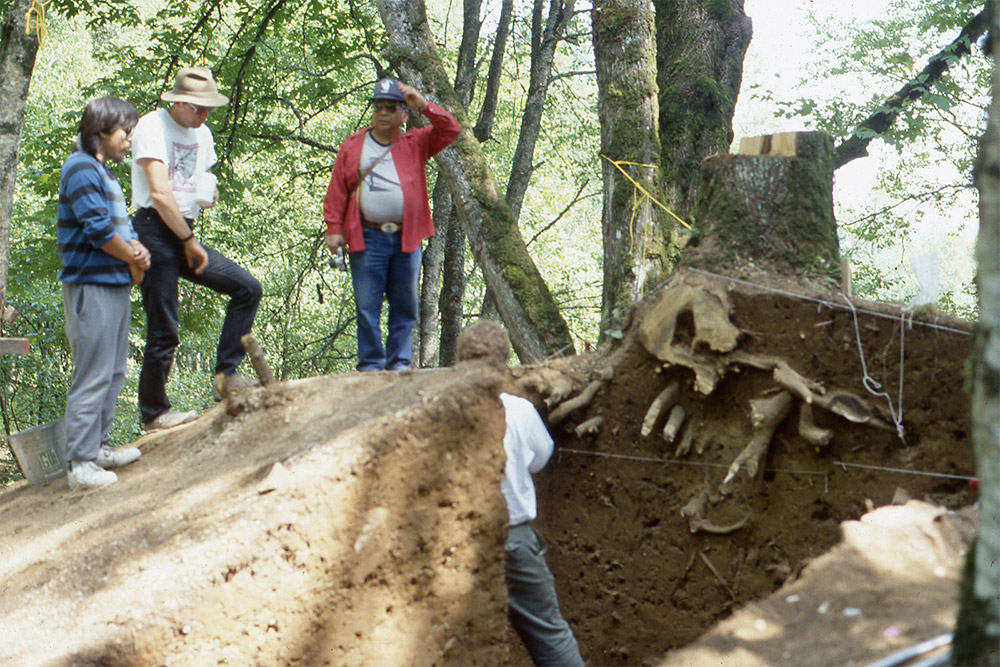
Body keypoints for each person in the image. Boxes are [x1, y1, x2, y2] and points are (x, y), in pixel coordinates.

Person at [131, 66, 262, 431]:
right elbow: (158, 192)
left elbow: (197, 181)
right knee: (165, 327)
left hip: (184, 230)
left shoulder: (202, 133)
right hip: (153, 230)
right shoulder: (151, 127)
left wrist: (209, 195)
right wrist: (189, 242)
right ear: (179, 103)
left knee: (247, 287)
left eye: (209, 109)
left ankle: (227, 376)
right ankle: (154, 412)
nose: (205, 116)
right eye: (199, 109)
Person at [457, 320, 585, 666]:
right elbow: (541, 459)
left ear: (461, 360)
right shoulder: (518, 410)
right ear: (503, 361)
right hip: (514, 540)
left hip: (458, 544)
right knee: (550, 634)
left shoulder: (447, 411)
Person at [322, 77, 460, 372]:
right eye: (378, 107)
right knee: (366, 305)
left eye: (391, 107)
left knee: (405, 306)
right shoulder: (353, 145)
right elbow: (337, 190)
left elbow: (451, 129)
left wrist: (424, 105)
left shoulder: (416, 142)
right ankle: (371, 366)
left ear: (404, 114)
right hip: (367, 236)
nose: (383, 113)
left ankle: (399, 364)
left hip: (406, 238)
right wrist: (333, 228)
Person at [57, 96, 149, 489]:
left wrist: (138, 249)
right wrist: (133, 259)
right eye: (125, 132)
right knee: (92, 373)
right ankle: (80, 463)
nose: (129, 139)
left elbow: (120, 227)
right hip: (89, 284)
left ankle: (99, 448)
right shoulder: (80, 169)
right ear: (102, 132)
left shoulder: (104, 172)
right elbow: (97, 230)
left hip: (112, 285)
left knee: (112, 370)